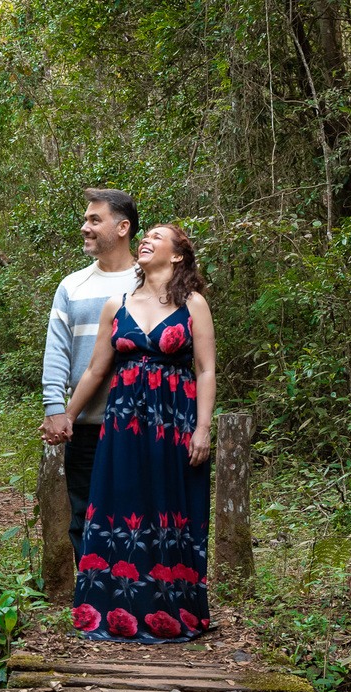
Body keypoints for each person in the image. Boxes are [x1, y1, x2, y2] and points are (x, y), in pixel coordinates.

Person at [62, 224, 215, 642]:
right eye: (143, 235)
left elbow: (205, 369)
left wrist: (203, 429)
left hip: (175, 421)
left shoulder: (194, 304)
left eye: (157, 237)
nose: (145, 240)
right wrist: (65, 416)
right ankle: (115, 610)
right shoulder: (118, 303)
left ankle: (172, 609)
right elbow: (96, 370)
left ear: (178, 255)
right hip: (124, 423)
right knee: (122, 504)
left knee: (170, 508)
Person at [40, 189, 141, 567]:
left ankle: (132, 601)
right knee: (85, 517)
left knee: (136, 514)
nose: (85, 227)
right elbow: (56, 352)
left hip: (139, 422)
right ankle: (94, 603)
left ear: (123, 227)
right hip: (84, 424)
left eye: (94, 220)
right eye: (86, 219)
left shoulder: (150, 281)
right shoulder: (72, 286)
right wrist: (55, 408)